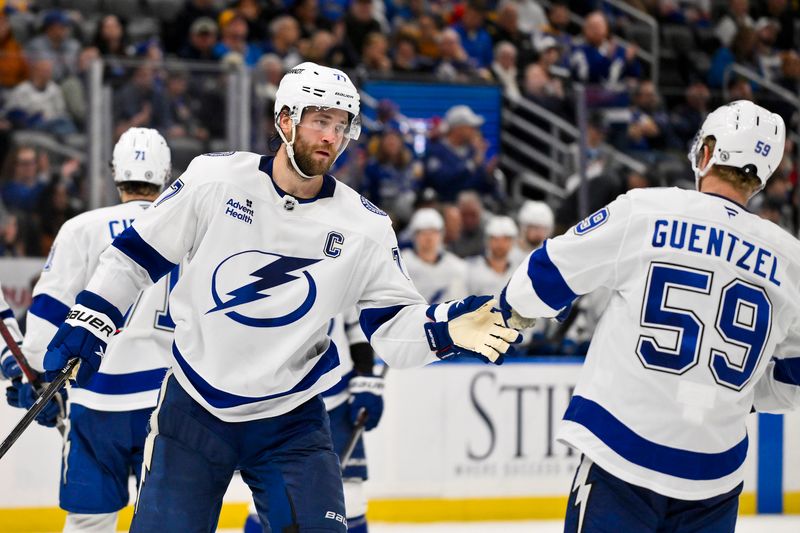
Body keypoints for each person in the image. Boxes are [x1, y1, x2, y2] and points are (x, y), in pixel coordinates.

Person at [41, 62, 519, 532]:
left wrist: (447, 327)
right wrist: (91, 318)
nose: (331, 136)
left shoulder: (365, 227)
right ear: (285, 120)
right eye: (319, 120)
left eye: (340, 124)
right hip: (193, 407)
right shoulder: (215, 180)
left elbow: (393, 329)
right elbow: (133, 256)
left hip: (291, 417)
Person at [499, 100, 797, 532]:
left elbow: (542, 278)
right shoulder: (791, 260)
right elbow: (794, 379)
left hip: (622, 452)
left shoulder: (647, 210)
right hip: (715, 472)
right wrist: (736, 392)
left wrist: (508, 311)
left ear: (707, 152)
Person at [6, 128, 174, 533]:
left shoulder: (81, 228)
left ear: (115, 172)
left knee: (89, 522)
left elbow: (47, 315)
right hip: (170, 405)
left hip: (97, 405)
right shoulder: (187, 227)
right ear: (166, 173)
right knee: (172, 522)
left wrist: (36, 380)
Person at [244, 309, 383, 533]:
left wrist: (366, 376)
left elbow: (356, 322)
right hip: (279, 402)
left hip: (337, 398)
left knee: (350, 498)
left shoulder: (340, 273)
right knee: (272, 495)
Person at [401, 208, 468, 304]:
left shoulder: (457, 266)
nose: (429, 238)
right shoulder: (402, 264)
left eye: (433, 232)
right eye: (423, 233)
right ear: (414, 235)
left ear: (441, 234)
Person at [465, 215, 520, 296]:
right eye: (495, 239)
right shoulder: (470, 268)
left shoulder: (519, 271)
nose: (500, 244)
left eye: (506, 239)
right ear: (487, 240)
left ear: (513, 242)